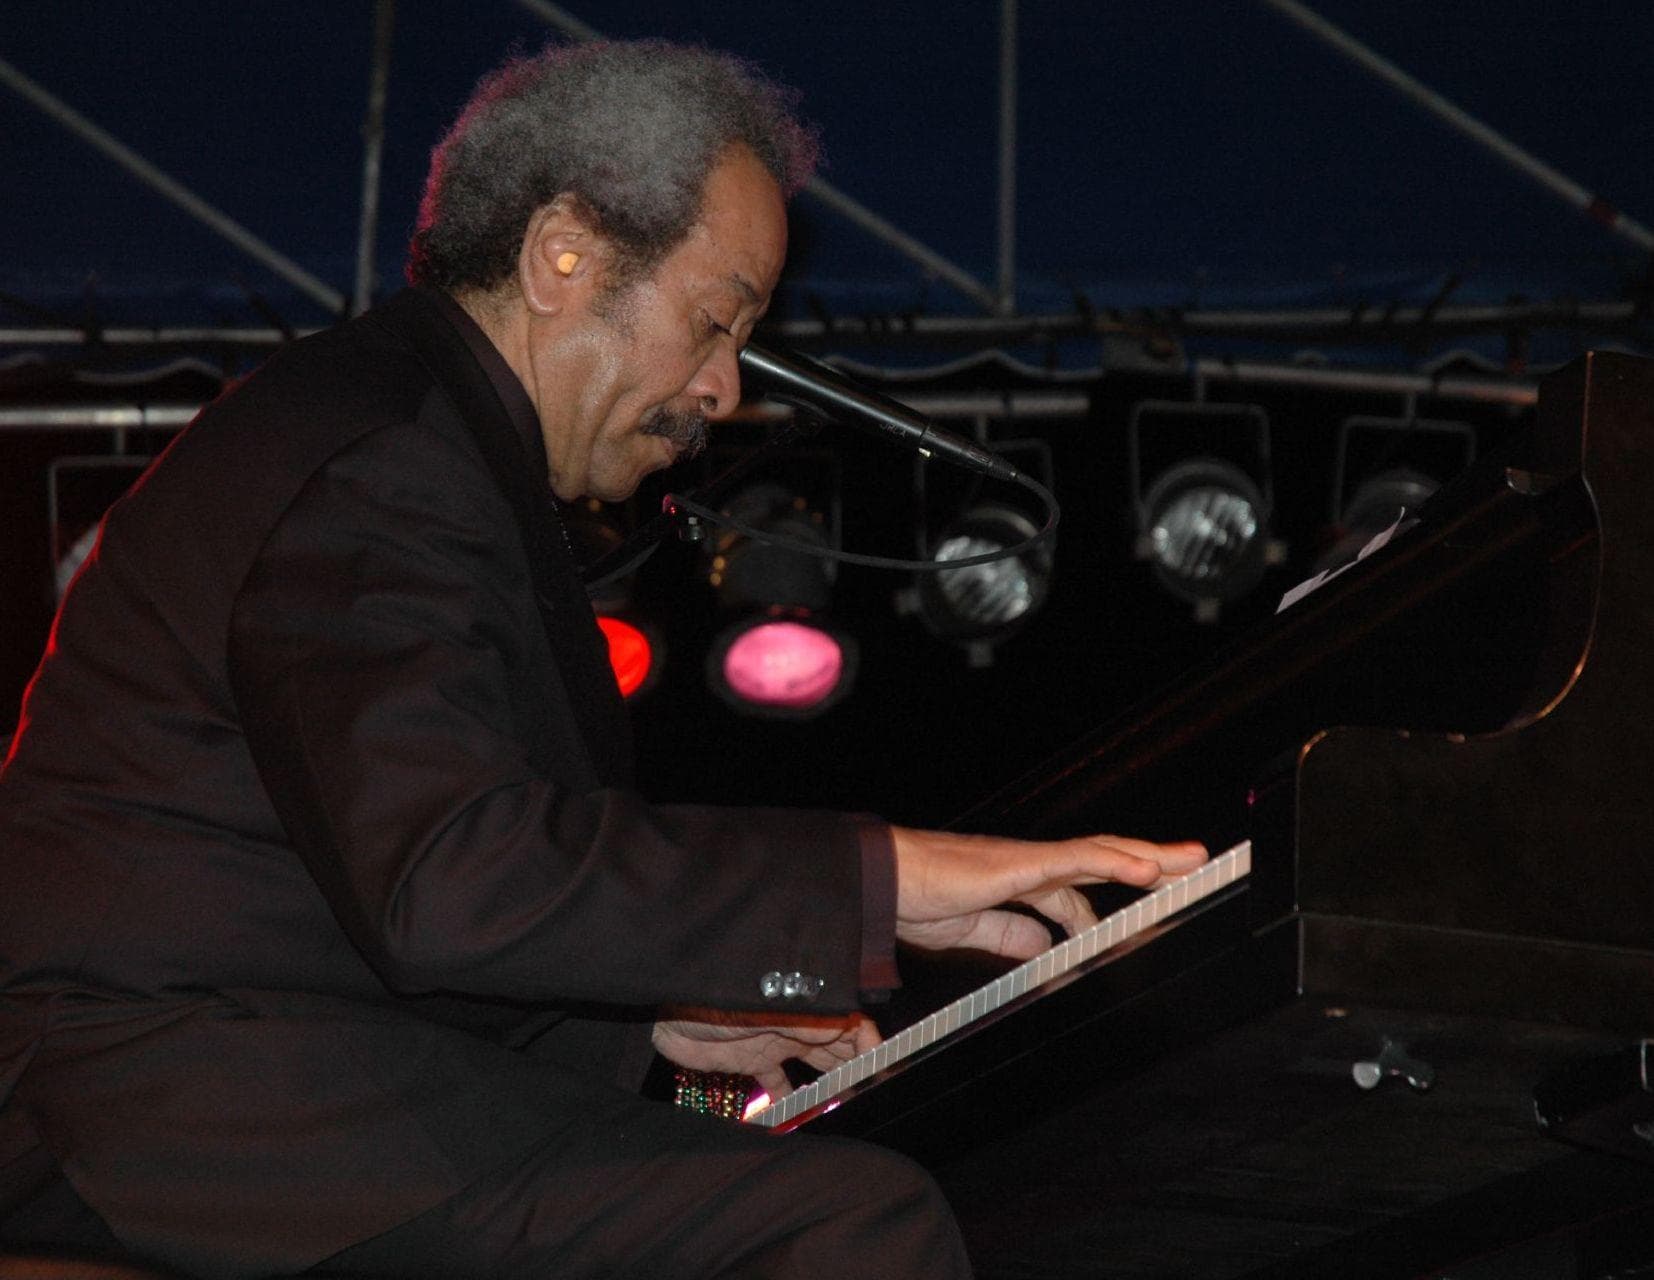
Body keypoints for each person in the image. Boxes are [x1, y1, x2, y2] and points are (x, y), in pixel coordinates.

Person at [0, 40, 1205, 1280]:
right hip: (148, 1095)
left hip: (228, 1069)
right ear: (561, 254)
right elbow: (447, 875)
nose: (724, 388)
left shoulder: (412, 437)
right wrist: (875, 878)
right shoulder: (386, 460)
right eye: (714, 322)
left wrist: (646, 1026)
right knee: (848, 1221)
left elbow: (380, 885)